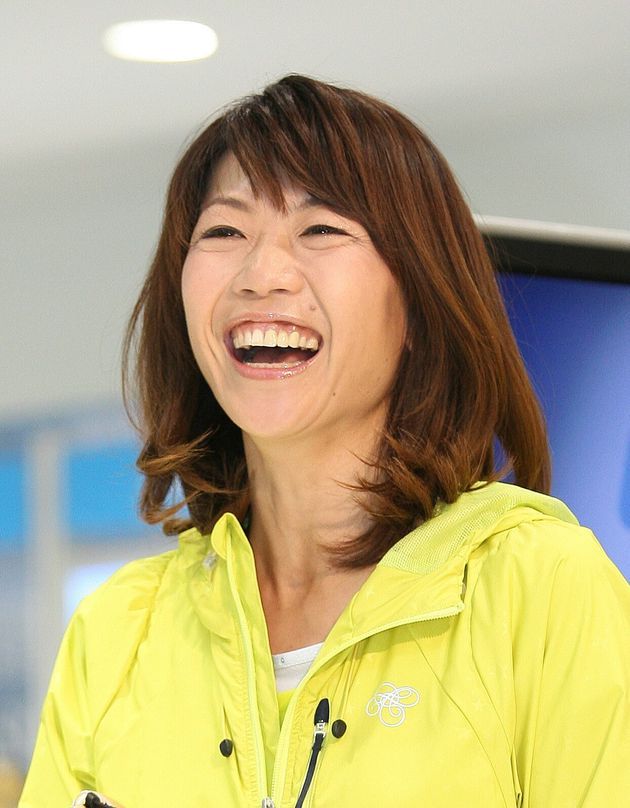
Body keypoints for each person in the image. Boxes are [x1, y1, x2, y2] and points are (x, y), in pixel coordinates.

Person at [19, 74, 629, 808]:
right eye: (224, 232)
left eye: (321, 229)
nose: (261, 274)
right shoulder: (116, 632)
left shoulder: (543, 587)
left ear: (420, 300)